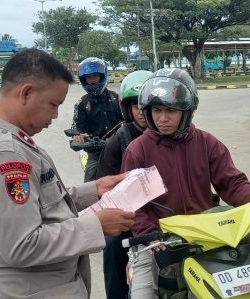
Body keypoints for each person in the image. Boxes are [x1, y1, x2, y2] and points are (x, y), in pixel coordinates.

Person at [0, 48, 135, 299]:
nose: (54, 116)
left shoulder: (11, 142)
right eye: (53, 105)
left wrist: (95, 189)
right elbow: (22, 245)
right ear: (26, 92)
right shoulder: (4, 154)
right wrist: (96, 225)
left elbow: (42, 204)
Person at [121, 68, 250, 298]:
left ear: (187, 111)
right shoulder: (138, 150)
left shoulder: (206, 143)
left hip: (208, 235)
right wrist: (150, 232)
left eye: (171, 110)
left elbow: (233, 183)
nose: (163, 118)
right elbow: (134, 204)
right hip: (159, 240)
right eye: (157, 110)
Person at [95, 70, 152, 299]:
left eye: (146, 105)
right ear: (126, 108)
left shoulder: (176, 135)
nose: (142, 112)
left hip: (167, 212)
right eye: (135, 106)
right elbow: (104, 190)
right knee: (112, 245)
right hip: (130, 214)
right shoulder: (118, 140)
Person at [71, 57, 123, 182]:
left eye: (95, 76)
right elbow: (76, 128)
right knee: (89, 187)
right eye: (88, 78)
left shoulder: (117, 99)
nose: (92, 80)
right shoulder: (82, 104)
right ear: (84, 80)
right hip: (96, 153)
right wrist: (78, 136)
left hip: (120, 148)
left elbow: (128, 120)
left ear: (102, 76)